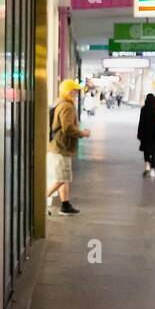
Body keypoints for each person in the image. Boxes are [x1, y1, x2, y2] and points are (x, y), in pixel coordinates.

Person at [47, 78, 91, 214]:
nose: (76, 94)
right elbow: (68, 128)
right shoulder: (67, 106)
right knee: (62, 178)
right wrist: (82, 133)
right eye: (74, 91)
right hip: (62, 146)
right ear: (68, 92)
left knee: (63, 177)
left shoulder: (59, 103)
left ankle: (65, 204)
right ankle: (40, 199)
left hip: (58, 145)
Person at [137, 93, 155, 177]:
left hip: (145, 134)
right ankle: (153, 170)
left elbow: (141, 122)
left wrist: (139, 133)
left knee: (146, 151)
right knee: (154, 153)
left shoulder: (143, 109)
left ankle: (147, 165)